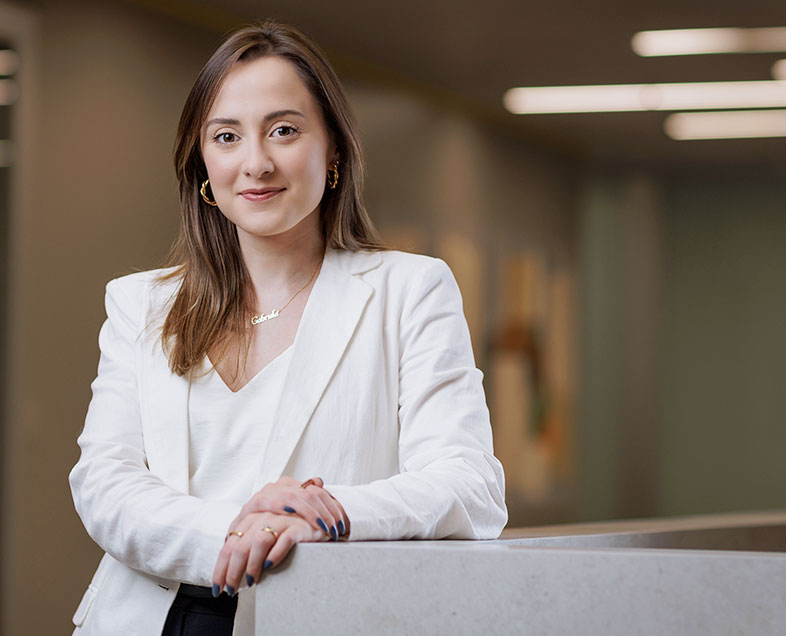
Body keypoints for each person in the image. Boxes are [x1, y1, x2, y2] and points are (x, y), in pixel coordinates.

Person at [69, 21, 507, 636]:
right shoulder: (141, 304)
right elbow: (104, 483)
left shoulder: (410, 291)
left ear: (332, 150)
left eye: (284, 130)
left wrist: (324, 517)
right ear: (202, 165)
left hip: (320, 615)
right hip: (155, 618)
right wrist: (234, 528)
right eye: (226, 136)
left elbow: (471, 487)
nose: (256, 162)